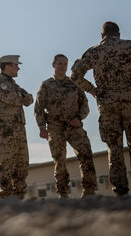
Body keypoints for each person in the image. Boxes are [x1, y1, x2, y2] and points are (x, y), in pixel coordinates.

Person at [70, 21, 131, 196]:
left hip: (107, 105)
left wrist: (94, 91)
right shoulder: (130, 46)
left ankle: (121, 192)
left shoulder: (94, 51)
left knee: (114, 148)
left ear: (102, 36)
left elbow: (74, 75)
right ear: (118, 34)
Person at [34, 54, 97, 198]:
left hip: (74, 126)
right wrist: (41, 128)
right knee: (59, 161)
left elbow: (85, 105)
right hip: (55, 128)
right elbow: (38, 108)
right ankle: (63, 194)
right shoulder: (46, 85)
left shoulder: (74, 83)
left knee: (86, 154)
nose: (63, 66)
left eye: (65, 64)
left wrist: (79, 118)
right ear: (53, 65)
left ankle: (89, 191)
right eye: (60, 63)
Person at [0, 55, 33, 199]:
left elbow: (29, 99)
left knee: (22, 165)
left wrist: (20, 96)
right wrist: (20, 96)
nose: (18, 68)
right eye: (16, 65)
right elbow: (14, 99)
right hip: (6, 131)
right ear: (8, 66)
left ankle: (20, 198)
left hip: (20, 130)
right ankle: (6, 199)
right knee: (6, 166)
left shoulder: (13, 85)